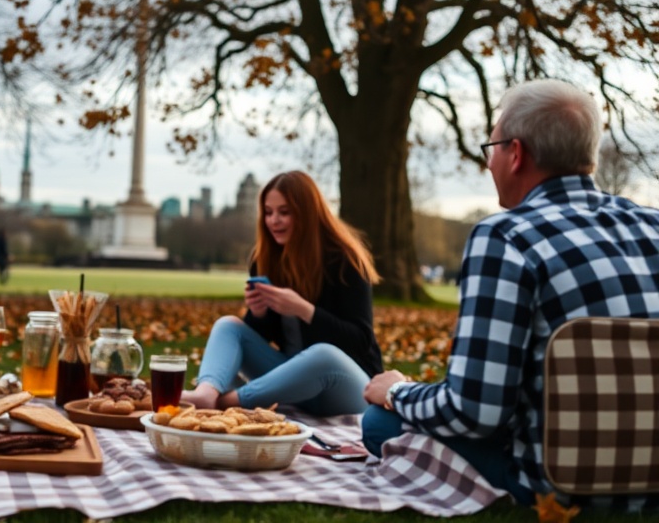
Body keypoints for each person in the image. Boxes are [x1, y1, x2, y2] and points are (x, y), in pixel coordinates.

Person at [362, 80, 659, 509]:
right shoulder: (652, 226)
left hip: (561, 487)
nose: (489, 162)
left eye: (492, 147)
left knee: (378, 422)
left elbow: (474, 412)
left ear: (515, 153)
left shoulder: (506, 236)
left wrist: (397, 392)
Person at [180, 170, 383, 417]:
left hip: (349, 389)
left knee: (323, 354)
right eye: (268, 212)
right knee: (228, 326)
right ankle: (205, 394)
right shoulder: (264, 257)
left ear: (307, 214)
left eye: (284, 212)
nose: (274, 220)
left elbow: (360, 340)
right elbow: (261, 337)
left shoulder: (344, 260)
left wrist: (304, 310)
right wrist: (258, 313)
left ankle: (227, 403)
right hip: (295, 386)